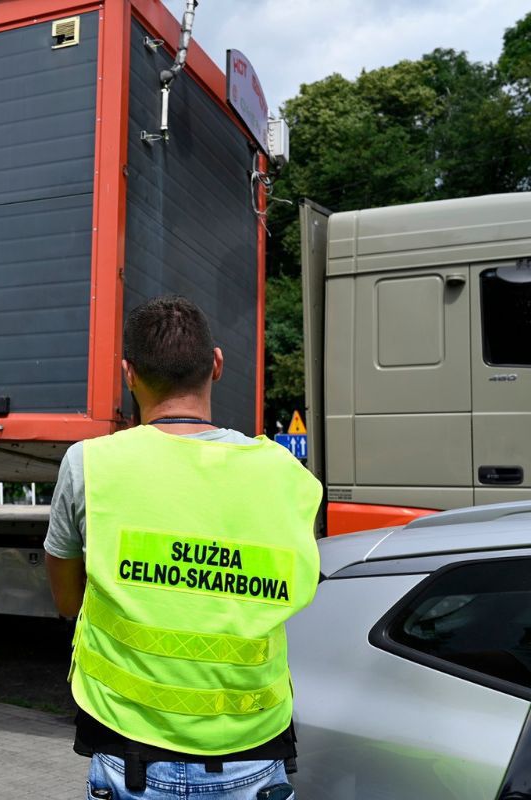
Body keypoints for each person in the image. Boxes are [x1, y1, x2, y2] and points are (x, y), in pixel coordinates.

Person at [45, 295, 322, 800]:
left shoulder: (89, 465)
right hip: (253, 752)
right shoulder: (286, 474)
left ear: (129, 374)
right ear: (216, 364)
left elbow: (68, 601)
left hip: (128, 752)